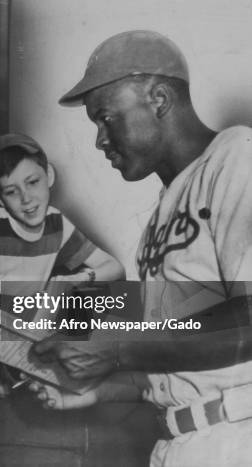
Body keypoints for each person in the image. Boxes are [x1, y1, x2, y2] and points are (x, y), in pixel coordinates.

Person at [31, 30, 252, 467]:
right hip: (179, 440)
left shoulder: (238, 156)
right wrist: (96, 386)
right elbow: (183, 345)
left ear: (158, 98)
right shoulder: (160, 214)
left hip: (235, 439)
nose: (98, 140)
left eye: (106, 117)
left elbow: (247, 318)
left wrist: (114, 347)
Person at [0, 133, 124, 397]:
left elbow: (113, 267)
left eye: (33, 182)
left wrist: (80, 278)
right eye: (12, 192)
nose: (27, 199)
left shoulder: (56, 223)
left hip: (28, 340)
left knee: (117, 305)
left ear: (49, 176)